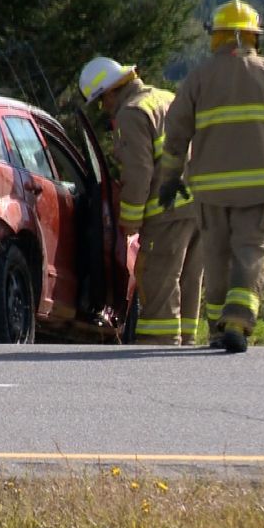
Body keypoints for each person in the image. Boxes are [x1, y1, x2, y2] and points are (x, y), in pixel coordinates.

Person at [156, 0, 264, 353]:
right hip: (259, 187)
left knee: (216, 255)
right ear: (253, 38)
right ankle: (238, 321)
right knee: (251, 251)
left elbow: (176, 134)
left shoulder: (198, 78)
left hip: (211, 189)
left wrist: (170, 179)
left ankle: (216, 329)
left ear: (218, 37)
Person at [78, 57, 204, 345]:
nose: (104, 108)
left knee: (159, 278)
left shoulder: (132, 113)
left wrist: (131, 218)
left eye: (100, 102)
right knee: (189, 279)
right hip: (200, 205)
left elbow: (138, 171)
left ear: (110, 92)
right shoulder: (167, 98)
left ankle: (158, 345)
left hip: (167, 210)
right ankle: (185, 342)